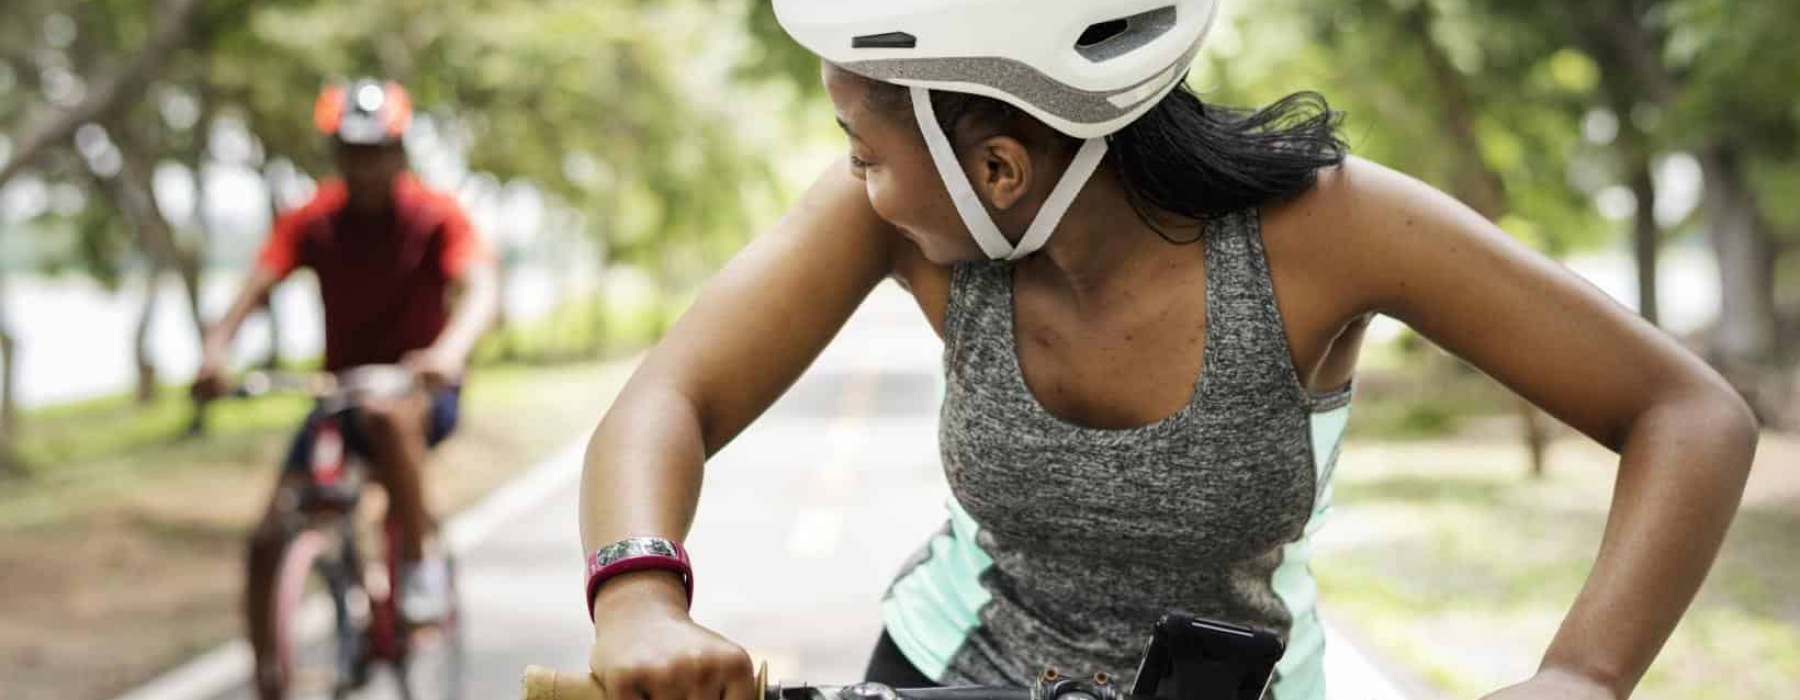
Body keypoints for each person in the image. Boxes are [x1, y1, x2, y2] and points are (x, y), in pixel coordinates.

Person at [577, 2, 1758, 699]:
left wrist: (1582, 677)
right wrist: (636, 597)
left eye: (860, 146)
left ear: (1000, 166)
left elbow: (1687, 415)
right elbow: (672, 396)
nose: (855, 179)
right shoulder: (907, 225)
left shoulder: (1328, 230)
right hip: (946, 672)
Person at [193, 78, 499, 694]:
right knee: (266, 537)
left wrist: (448, 352)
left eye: (377, 150)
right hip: (339, 394)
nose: (364, 166)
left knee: (389, 417)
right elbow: (256, 286)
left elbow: (481, 290)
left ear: (399, 153)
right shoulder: (314, 220)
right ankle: (269, 674)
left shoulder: (436, 215)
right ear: (336, 155)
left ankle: (419, 571)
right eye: (351, 152)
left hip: (418, 389)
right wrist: (214, 351)